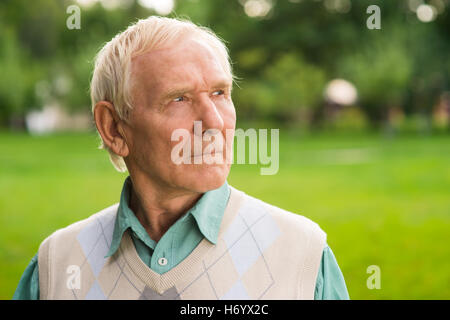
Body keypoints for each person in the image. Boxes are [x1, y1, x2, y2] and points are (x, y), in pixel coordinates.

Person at [13, 16, 349, 300]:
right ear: (113, 127)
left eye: (220, 93)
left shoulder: (303, 256)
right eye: (179, 99)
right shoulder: (55, 267)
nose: (215, 122)